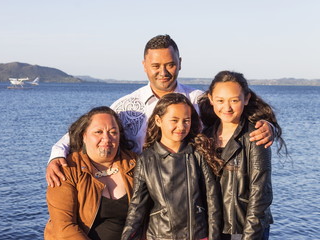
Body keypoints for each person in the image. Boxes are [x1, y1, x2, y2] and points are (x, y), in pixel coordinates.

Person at [46, 34, 274, 187]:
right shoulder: (126, 106)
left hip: (193, 196)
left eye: (170, 64)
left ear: (180, 62)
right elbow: (84, 132)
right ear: (144, 65)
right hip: (141, 195)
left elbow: (237, 111)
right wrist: (57, 155)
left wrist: (270, 127)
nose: (163, 72)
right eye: (156, 66)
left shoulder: (199, 101)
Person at [198, 71, 287, 240]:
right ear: (211, 99)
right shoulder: (206, 135)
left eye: (234, 100)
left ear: (246, 99)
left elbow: (260, 193)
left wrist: (249, 235)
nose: (227, 107)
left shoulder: (256, 136)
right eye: (220, 100)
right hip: (214, 227)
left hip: (243, 227)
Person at [121, 93, 222, 240]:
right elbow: (137, 208)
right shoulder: (146, 159)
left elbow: (213, 202)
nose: (181, 127)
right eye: (174, 120)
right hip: (160, 236)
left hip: (197, 235)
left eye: (186, 121)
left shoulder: (198, 153)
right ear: (158, 120)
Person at [44, 106, 137, 240]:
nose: (107, 138)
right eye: (98, 132)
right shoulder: (67, 170)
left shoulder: (135, 165)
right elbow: (64, 227)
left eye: (113, 132)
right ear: (84, 136)